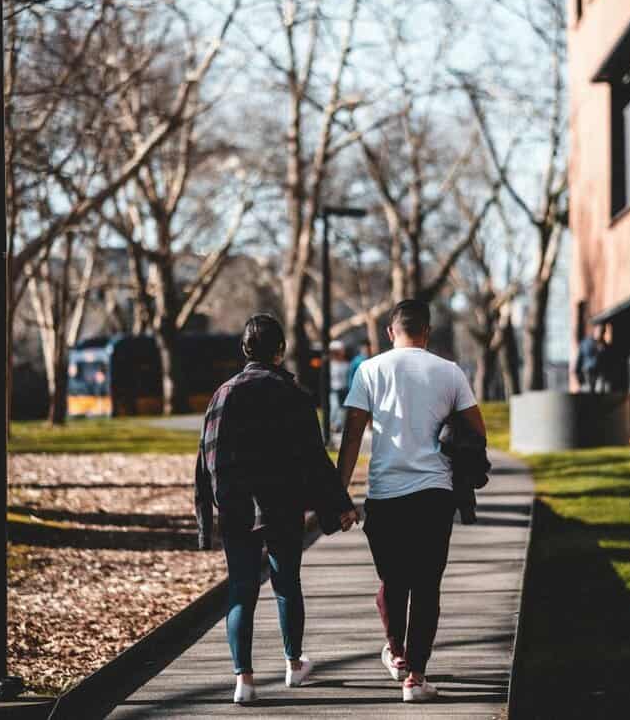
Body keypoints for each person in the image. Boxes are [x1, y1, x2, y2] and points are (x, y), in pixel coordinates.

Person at [195, 314, 358, 705]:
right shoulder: (296, 396)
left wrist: (206, 520)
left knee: (241, 590)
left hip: (236, 509)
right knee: (287, 587)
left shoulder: (223, 395)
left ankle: (243, 680)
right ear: (280, 352)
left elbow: (206, 461)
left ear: (245, 350)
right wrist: (339, 505)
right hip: (282, 507)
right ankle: (292, 663)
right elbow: (315, 459)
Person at [337, 299, 486, 704]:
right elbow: (478, 431)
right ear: (427, 332)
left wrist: (340, 493)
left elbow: (352, 435)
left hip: (385, 495)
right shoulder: (449, 372)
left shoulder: (369, 370)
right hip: (435, 494)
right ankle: (416, 677)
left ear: (390, 332)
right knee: (426, 586)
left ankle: (397, 652)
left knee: (393, 581)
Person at [329, 339, 349, 433]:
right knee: (334, 406)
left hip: (344, 388)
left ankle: (338, 425)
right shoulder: (330, 365)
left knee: (343, 409)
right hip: (334, 389)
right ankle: (332, 424)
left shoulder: (346, 364)